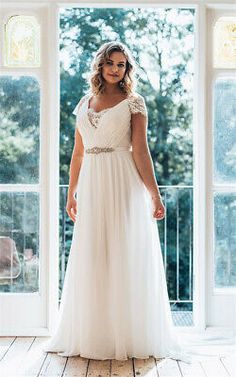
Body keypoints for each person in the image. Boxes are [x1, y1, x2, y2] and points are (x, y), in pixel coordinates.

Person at [43, 41, 192, 364]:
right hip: (93, 185)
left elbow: (140, 151)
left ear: (127, 69)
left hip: (123, 183)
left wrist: (154, 193)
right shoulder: (85, 101)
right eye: (110, 62)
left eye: (121, 64)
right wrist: (72, 193)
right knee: (93, 254)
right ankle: (94, 333)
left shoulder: (134, 103)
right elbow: (78, 153)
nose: (115, 69)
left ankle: (129, 333)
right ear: (100, 65)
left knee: (124, 252)